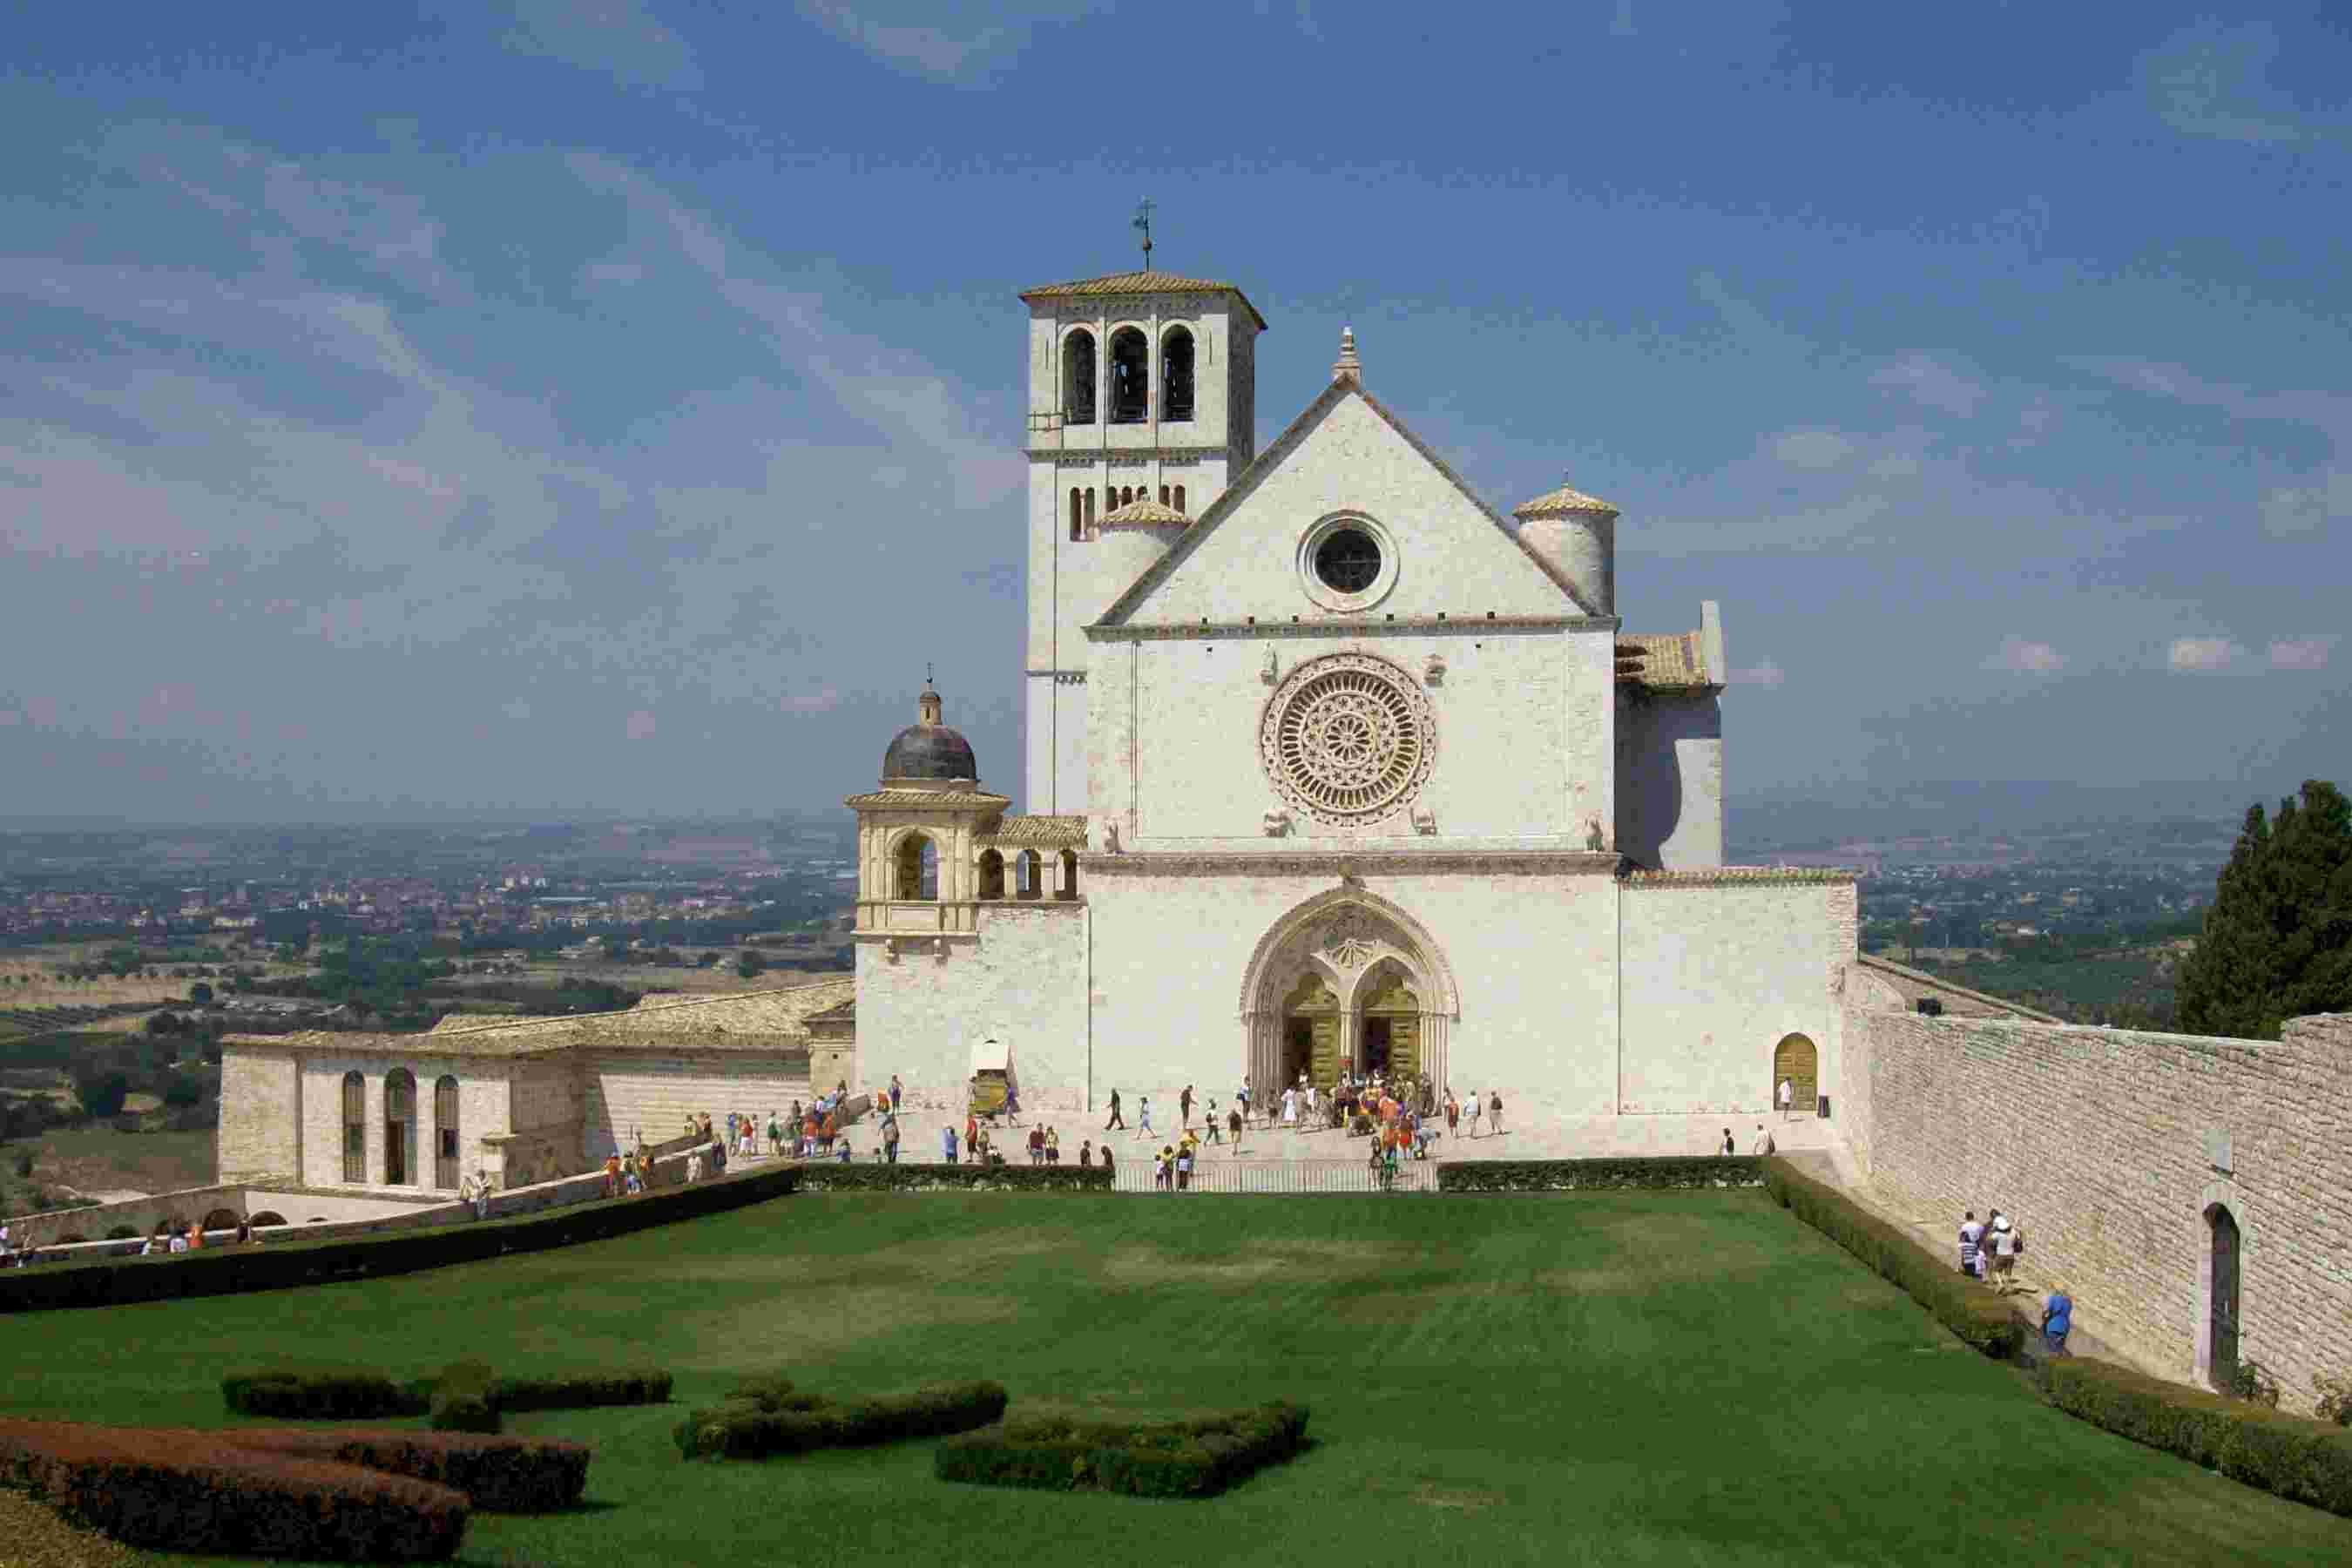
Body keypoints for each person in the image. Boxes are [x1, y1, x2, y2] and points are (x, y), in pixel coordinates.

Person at [2040, 1283, 2072, 1356]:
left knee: (2049, 1349)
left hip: (2053, 1326)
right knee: (2059, 1349)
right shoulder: (2069, 1302)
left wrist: (2043, 1316)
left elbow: (2046, 1311)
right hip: (2065, 1327)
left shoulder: (2053, 1298)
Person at [1958, 1211, 1984, 1278]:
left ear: (1966, 1218)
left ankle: (1965, 1269)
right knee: (1976, 1257)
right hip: (1976, 1243)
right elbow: (1982, 1234)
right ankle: (1976, 1270)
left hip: (1967, 1244)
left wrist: (1961, 1244)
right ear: (1973, 1217)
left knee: (1965, 1256)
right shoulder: (1978, 1226)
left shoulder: (1964, 1226)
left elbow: (1962, 1236)